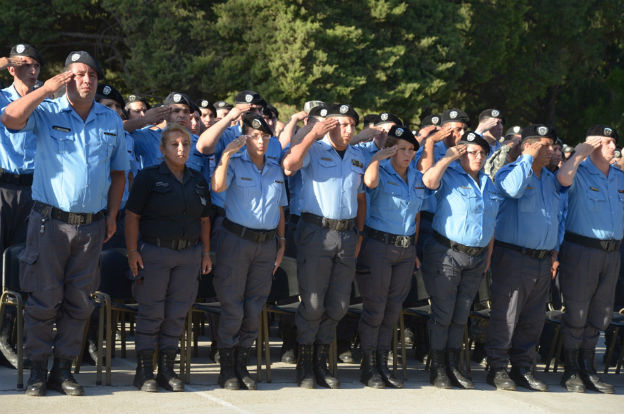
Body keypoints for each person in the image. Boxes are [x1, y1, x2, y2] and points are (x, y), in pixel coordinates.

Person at [1, 50, 128, 396]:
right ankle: (38, 371)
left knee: (79, 301)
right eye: (77, 74)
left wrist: (113, 215)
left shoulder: (110, 120)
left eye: (91, 75)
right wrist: (45, 90)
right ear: (65, 78)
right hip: (49, 223)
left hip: (91, 227)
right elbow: (9, 119)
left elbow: (119, 173)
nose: (85, 80)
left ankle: (63, 370)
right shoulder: (46, 110)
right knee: (44, 300)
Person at [282, 103, 366, 389]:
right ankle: (306, 362)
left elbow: (361, 197)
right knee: (314, 302)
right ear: (330, 125)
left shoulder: (357, 156)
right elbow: (289, 166)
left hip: (346, 234)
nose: (348, 129)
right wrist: (311, 135)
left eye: (352, 124)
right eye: (342, 124)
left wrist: (360, 234)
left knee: (340, 303)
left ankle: (321, 360)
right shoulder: (315, 149)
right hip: (316, 231)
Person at [125, 124, 212, 392]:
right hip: (155, 253)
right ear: (162, 149)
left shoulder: (197, 179)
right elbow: (132, 216)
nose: (181, 149)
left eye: (185, 144)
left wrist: (206, 252)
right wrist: (132, 252)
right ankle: (143, 371)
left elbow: (205, 219)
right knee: (152, 312)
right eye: (174, 144)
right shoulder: (149, 177)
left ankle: (166, 369)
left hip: (189, 254)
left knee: (176, 314)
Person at [211, 113, 286, 390]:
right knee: (233, 306)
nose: (261, 141)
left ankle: (242, 364)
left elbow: (280, 207)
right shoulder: (234, 162)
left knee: (254, 307)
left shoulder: (276, 168)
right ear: (245, 137)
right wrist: (227, 156)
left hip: (266, 244)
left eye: (265, 136)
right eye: (255, 136)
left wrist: (282, 241)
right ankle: (227, 367)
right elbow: (217, 186)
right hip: (236, 240)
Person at [421, 131, 500, 389]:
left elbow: (490, 222)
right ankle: (438, 365)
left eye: (481, 153)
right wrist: (446, 159)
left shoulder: (489, 182)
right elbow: (428, 182)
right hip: (448, 253)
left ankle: (453, 364)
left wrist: (487, 255)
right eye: (471, 152)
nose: (477, 157)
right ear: (461, 154)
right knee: (443, 313)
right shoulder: (449, 175)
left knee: (461, 314)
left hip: (476, 257)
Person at [485, 124, 560, 392]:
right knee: (507, 315)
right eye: (545, 145)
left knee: (533, 318)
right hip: (514, 256)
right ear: (529, 145)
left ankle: (522, 368)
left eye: (552, 145)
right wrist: (527, 157)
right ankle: (496, 367)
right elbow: (513, 190)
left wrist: (555, 252)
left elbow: (557, 217)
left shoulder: (550, 179)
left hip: (542, 259)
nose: (551, 151)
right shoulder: (510, 171)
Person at [357, 126, 430, 389]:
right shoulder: (379, 170)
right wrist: (377, 158)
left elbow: (417, 214)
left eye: (411, 150)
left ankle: (382, 364)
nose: (408, 154)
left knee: (392, 311)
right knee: (375, 309)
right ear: (390, 149)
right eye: (402, 149)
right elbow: (369, 183)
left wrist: (414, 248)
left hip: (405, 249)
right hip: (379, 245)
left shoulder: (416, 176)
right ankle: (368, 366)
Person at [556, 124, 623, 394]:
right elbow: (561, 180)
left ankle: (588, 366)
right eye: (606, 142)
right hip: (582, 249)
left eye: (613, 142)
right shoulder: (578, 172)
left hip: (612, 253)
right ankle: (571, 368)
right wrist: (579, 154)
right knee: (578, 311)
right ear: (593, 144)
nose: (612, 147)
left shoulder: (619, 177)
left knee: (601, 312)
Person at [0, 44, 44, 368]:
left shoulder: (45, 101)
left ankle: (8, 339)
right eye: (24, 65)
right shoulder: (2, 97)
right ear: (12, 69)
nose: (32, 70)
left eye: (35, 65)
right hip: (1, 188)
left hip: (32, 190)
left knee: (20, 266)